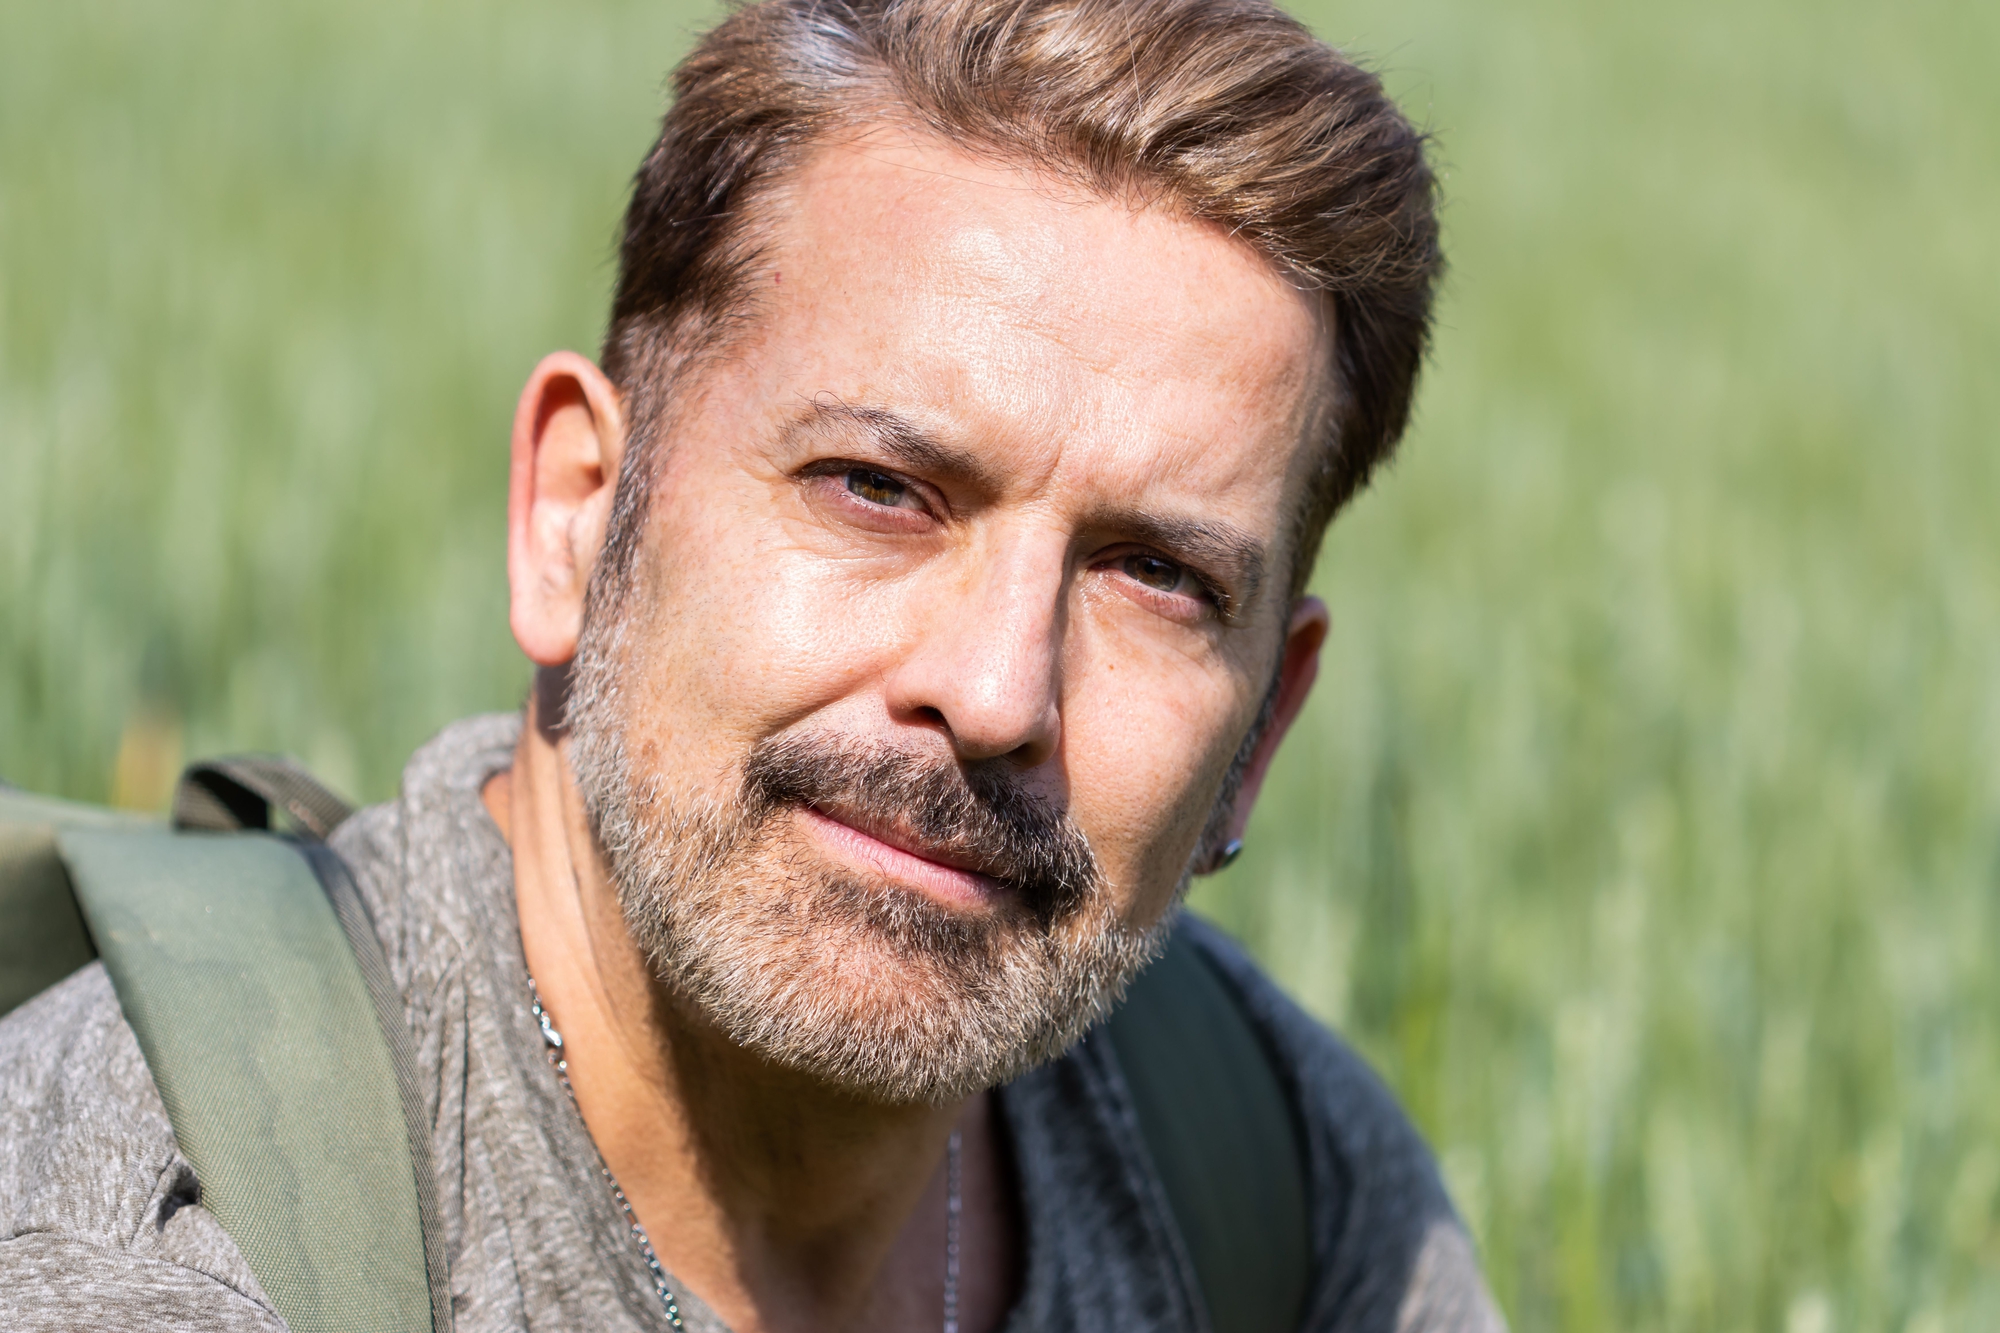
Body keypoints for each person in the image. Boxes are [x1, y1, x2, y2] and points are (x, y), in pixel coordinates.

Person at [0, 0, 1504, 1328]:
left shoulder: (1260, 1178)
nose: (991, 693)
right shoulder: (151, 1246)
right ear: (577, 514)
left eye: (1155, 578)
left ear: (1260, 734)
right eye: (878, 487)